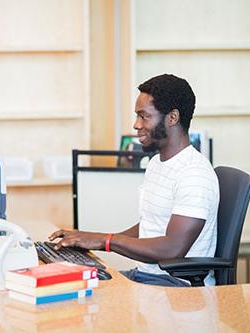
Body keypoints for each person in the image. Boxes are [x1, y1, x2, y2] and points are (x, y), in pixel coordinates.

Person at [49, 74, 220, 287]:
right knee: (75, 287)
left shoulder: (194, 174)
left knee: (88, 303)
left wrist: (106, 240)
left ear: (172, 117)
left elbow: (172, 249)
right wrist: (91, 239)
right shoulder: (157, 164)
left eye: (144, 116)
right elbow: (151, 225)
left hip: (177, 289)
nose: (136, 125)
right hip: (146, 276)